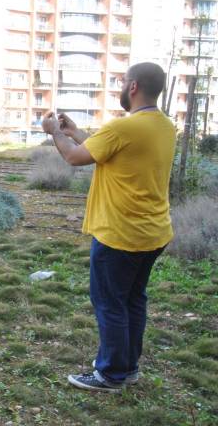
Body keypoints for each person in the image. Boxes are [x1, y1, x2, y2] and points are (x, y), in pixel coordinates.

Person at [41, 62, 175, 393]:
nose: (119, 85)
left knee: (110, 303)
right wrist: (73, 131)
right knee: (132, 300)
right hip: (153, 232)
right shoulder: (163, 125)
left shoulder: (124, 127)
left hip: (120, 234)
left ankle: (111, 374)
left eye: (122, 81)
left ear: (133, 87)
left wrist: (55, 133)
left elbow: (74, 158)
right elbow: (106, 151)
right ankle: (127, 367)